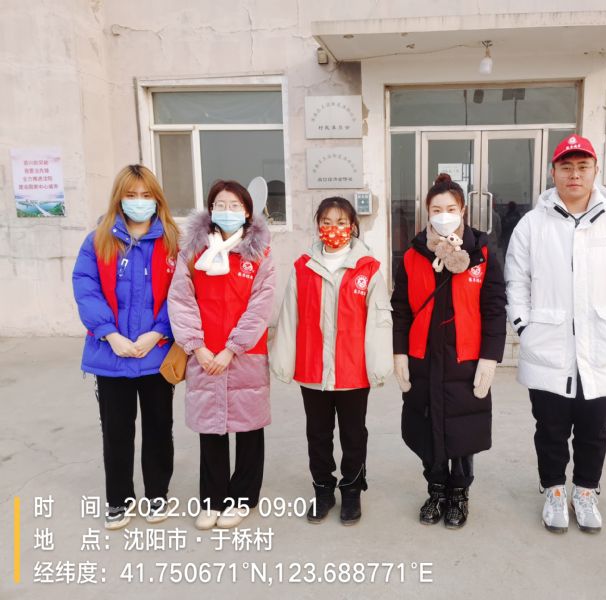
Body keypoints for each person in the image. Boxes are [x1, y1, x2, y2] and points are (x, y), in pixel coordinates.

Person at [504, 135, 606, 534]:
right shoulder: (533, 225)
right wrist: (524, 326)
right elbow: (517, 280)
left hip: (604, 346)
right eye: (566, 167)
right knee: (550, 427)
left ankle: (585, 491)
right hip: (548, 345)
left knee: (595, 428)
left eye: (582, 167)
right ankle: (554, 489)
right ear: (553, 172)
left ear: (595, 170)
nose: (574, 174)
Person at [391, 173, 507, 529]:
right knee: (427, 427)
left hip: (465, 358)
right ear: (427, 213)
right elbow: (401, 308)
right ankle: (436, 489)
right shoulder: (413, 256)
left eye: (451, 209)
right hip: (424, 358)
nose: (444, 215)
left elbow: (494, 307)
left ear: (463, 211)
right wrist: (399, 353)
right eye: (437, 209)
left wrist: (490, 356)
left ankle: (459, 492)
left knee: (462, 430)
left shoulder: (481, 254)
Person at [271, 197, 393, 525]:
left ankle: (351, 491)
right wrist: (283, 361)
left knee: (353, 435)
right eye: (326, 222)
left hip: (353, 371)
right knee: (318, 434)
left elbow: (379, 322)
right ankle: (323, 490)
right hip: (313, 370)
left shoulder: (368, 268)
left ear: (352, 226)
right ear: (318, 226)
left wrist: (378, 366)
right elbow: (289, 317)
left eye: (341, 222)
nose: (333, 228)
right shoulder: (303, 267)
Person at [72, 164, 180, 530]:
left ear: (157, 199)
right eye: (131, 195)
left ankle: (157, 494)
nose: (139, 202)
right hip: (111, 355)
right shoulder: (98, 241)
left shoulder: (172, 242)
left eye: (146, 195)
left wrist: (158, 333)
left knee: (159, 428)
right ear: (119, 198)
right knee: (116, 432)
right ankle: (119, 499)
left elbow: (182, 293)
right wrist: (110, 334)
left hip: (156, 355)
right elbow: (86, 287)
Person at [168, 179, 276, 531]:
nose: (227, 211)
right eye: (220, 204)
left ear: (247, 212)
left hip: (244, 353)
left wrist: (231, 349)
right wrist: (197, 347)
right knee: (211, 429)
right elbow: (181, 300)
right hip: (203, 354)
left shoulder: (259, 254)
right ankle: (212, 499)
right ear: (210, 209)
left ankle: (242, 497)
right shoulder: (193, 252)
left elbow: (261, 306)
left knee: (248, 429)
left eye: (234, 205)